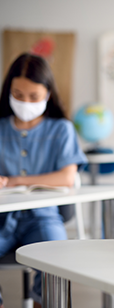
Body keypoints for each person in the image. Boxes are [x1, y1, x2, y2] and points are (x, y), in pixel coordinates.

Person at [0, 53, 87, 307]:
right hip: (2, 217)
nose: (25, 102)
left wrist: (13, 181)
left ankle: (44, 303)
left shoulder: (61, 129)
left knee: (56, 259)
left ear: (48, 94)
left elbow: (66, 177)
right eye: (18, 95)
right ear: (8, 92)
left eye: (33, 97)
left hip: (43, 216)